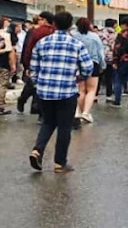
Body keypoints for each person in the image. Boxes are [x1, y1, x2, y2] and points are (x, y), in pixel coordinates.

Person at [29, 12, 94, 174]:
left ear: (54, 25)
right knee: (64, 127)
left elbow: (33, 68)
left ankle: (38, 150)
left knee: (48, 123)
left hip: (44, 91)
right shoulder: (76, 44)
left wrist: (38, 84)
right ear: (71, 25)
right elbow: (88, 67)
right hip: (67, 91)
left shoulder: (42, 43)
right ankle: (60, 163)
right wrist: (79, 78)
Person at [18, 12, 55, 119]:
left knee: (33, 86)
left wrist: (27, 64)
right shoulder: (47, 31)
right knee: (34, 87)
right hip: (45, 64)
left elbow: (28, 48)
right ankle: (39, 111)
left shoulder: (36, 31)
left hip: (36, 63)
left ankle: (37, 109)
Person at [72, 18, 106, 123]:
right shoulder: (94, 37)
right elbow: (100, 53)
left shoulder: (73, 35)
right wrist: (103, 65)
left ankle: (79, 112)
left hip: (77, 64)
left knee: (80, 90)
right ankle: (86, 113)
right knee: (91, 90)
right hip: (93, 63)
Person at [0, 19, 16, 116]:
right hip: (3, 62)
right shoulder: (6, 36)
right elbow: (10, 52)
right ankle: (0, 107)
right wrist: (13, 65)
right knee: (2, 85)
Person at [112, 18, 128, 109]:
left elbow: (117, 48)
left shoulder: (121, 34)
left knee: (118, 80)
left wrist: (114, 61)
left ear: (124, 24)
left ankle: (117, 101)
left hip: (122, 60)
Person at [99, 19, 118, 102]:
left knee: (98, 77)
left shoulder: (100, 33)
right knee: (109, 77)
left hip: (101, 57)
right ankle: (109, 95)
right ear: (113, 25)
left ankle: (95, 94)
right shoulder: (115, 35)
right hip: (110, 57)